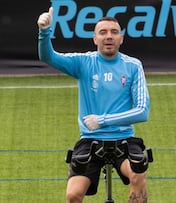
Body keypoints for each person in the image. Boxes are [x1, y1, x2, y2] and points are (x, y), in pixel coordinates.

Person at [37, 7, 151, 203]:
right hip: (90, 139)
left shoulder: (133, 65)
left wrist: (103, 120)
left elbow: (142, 111)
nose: (109, 36)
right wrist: (44, 32)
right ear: (95, 38)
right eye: (103, 32)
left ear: (121, 38)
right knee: (73, 195)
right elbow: (49, 57)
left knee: (138, 173)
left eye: (114, 32)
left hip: (124, 138)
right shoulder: (84, 62)